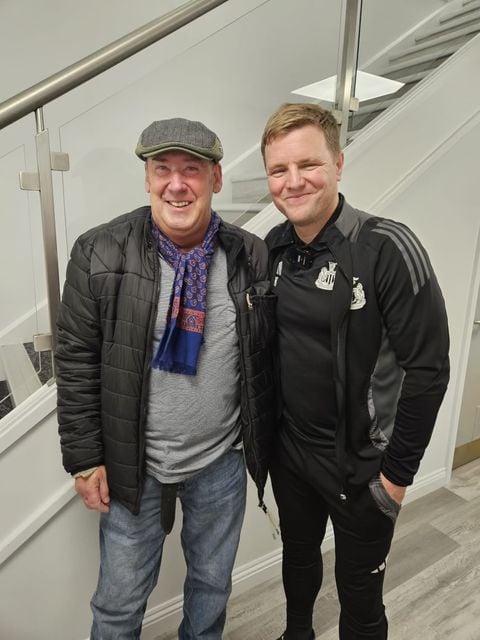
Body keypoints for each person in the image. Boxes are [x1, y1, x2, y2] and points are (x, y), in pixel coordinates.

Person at [55, 117, 276, 640]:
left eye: (192, 171)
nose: (176, 184)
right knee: (119, 600)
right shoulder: (100, 252)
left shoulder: (250, 255)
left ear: (216, 179)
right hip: (135, 463)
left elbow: (264, 357)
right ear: (148, 178)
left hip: (221, 461)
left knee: (211, 586)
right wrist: (85, 459)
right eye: (162, 170)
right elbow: (76, 359)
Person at [261, 103, 449, 640]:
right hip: (292, 456)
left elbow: (429, 370)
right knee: (297, 568)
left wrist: (396, 478)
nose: (293, 182)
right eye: (279, 170)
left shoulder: (387, 247)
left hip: (363, 470)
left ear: (338, 163)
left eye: (308, 165)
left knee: (360, 601)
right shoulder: (273, 249)